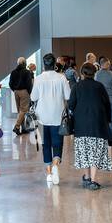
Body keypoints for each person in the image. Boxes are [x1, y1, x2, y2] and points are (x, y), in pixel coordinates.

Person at [69, 63, 112, 190]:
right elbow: (107, 105)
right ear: (94, 73)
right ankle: (93, 180)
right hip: (97, 124)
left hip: (81, 125)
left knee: (84, 151)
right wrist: (108, 120)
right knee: (95, 152)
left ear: (82, 73)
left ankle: (87, 177)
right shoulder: (99, 86)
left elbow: (71, 105)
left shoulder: (77, 87)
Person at [31, 53, 70, 185]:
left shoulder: (38, 79)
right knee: (57, 144)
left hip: (42, 117)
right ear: (54, 65)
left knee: (45, 145)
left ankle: (48, 174)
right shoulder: (62, 78)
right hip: (58, 116)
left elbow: (33, 98)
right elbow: (68, 95)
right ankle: (55, 166)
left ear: (43, 65)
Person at [94, 57, 112, 144]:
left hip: (101, 101)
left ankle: (104, 138)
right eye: (109, 64)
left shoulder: (96, 74)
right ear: (106, 64)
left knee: (102, 120)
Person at [8, 57, 33, 137]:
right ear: (24, 63)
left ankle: (24, 128)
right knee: (24, 110)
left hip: (16, 92)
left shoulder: (13, 72)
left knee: (20, 111)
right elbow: (29, 84)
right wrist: (29, 92)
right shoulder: (26, 72)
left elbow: (10, 83)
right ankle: (17, 126)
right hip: (24, 91)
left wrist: (14, 90)